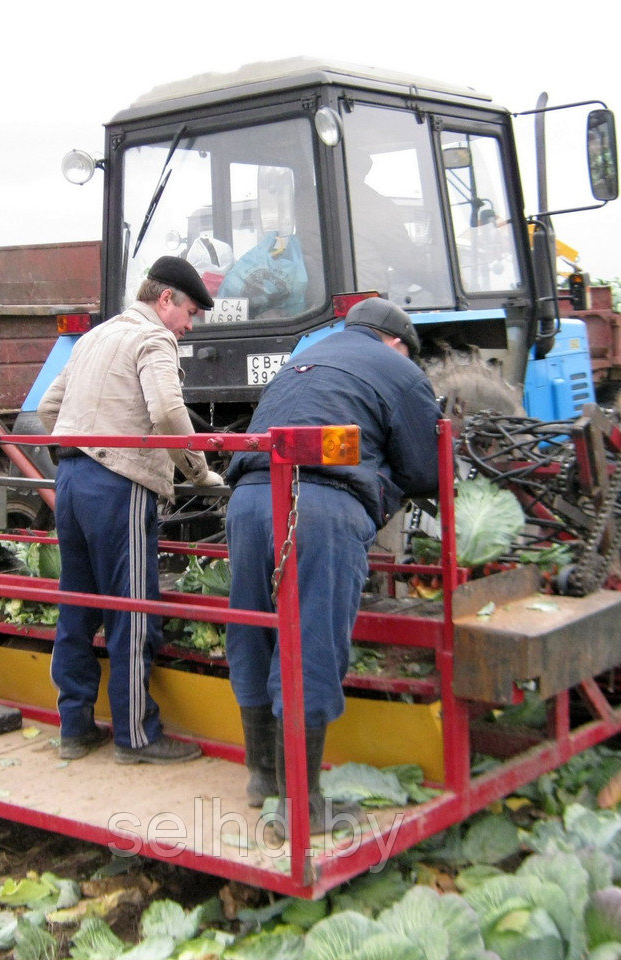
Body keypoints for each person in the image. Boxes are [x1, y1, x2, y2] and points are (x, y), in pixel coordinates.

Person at [224, 297, 441, 827]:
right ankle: (304, 806)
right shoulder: (399, 370)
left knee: (252, 632)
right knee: (311, 642)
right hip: (320, 507)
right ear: (397, 343)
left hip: (249, 500)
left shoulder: (304, 357)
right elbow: (428, 469)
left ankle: (262, 776)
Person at [38, 256, 225, 765]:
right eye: (189, 313)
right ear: (166, 300)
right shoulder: (154, 339)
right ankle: (137, 736)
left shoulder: (98, 336)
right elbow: (167, 411)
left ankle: (75, 729)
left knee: (77, 606)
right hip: (119, 486)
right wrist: (199, 472)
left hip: (72, 480)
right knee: (133, 610)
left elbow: (48, 410)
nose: (188, 327)